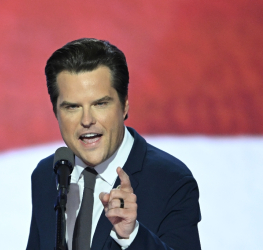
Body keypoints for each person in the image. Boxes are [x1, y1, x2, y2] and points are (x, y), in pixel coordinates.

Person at [26, 38, 201, 250]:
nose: (87, 120)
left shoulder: (171, 181)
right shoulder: (47, 175)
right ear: (56, 112)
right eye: (72, 107)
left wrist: (132, 236)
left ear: (125, 104)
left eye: (100, 104)